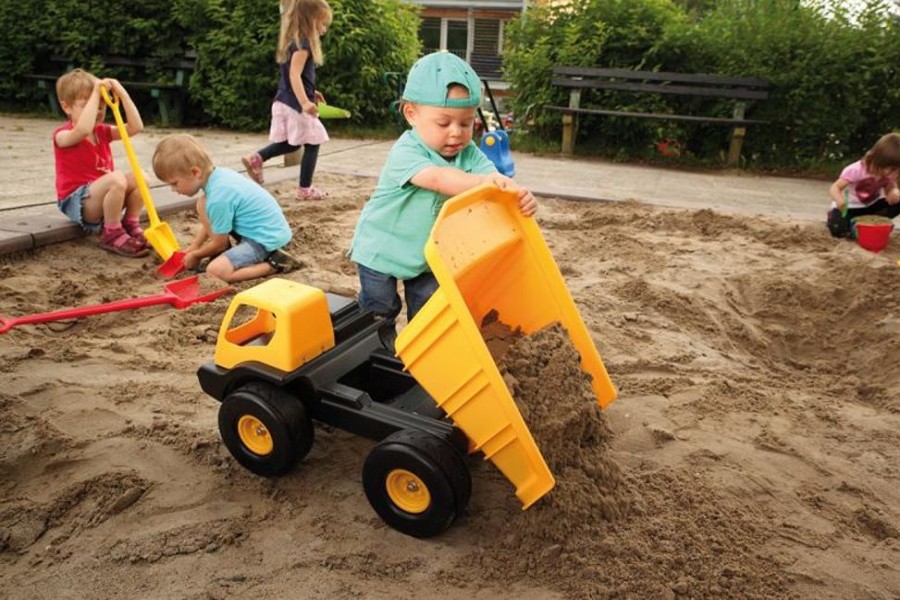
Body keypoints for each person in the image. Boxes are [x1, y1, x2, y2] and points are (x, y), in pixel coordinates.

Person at [348, 51, 537, 342]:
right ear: (411, 114)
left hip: (427, 255)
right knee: (380, 311)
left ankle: (421, 354)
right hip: (381, 248)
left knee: (428, 311)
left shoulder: (468, 153)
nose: (456, 134)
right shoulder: (406, 151)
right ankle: (377, 351)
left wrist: (515, 194)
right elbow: (438, 178)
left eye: (466, 123)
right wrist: (484, 181)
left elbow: (494, 179)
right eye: (444, 123)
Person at [152, 134, 299, 283]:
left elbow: (219, 243)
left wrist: (197, 255)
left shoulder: (218, 198)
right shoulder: (219, 176)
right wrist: (195, 246)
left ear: (195, 172)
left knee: (215, 271)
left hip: (264, 240)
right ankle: (227, 255)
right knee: (202, 204)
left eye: (174, 183)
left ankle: (275, 264)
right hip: (265, 229)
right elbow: (215, 221)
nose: (173, 189)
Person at [242, 0, 333, 201]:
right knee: (314, 141)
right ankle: (305, 189)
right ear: (310, 21)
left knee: (292, 144)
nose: (324, 29)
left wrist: (312, 92)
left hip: (284, 100)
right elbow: (294, 75)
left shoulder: (294, 43)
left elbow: (296, 77)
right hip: (294, 104)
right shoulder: (304, 46)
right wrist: (305, 103)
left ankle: (257, 158)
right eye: (322, 23)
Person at [53, 69, 149, 257]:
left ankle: (129, 223)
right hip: (78, 203)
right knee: (116, 179)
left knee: (141, 177)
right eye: (89, 103)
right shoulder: (63, 135)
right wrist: (96, 92)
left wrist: (122, 94)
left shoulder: (102, 132)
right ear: (67, 107)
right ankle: (112, 233)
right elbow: (82, 130)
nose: (97, 109)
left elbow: (136, 127)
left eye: (101, 104)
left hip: (101, 198)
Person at [826, 133, 900, 238]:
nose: (894, 174)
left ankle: (873, 223)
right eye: (892, 169)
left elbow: (889, 187)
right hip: (850, 208)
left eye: (898, 170)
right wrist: (839, 200)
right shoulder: (856, 170)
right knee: (837, 228)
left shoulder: (889, 174)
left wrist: (893, 192)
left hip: (870, 207)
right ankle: (853, 226)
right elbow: (835, 188)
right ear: (878, 159)